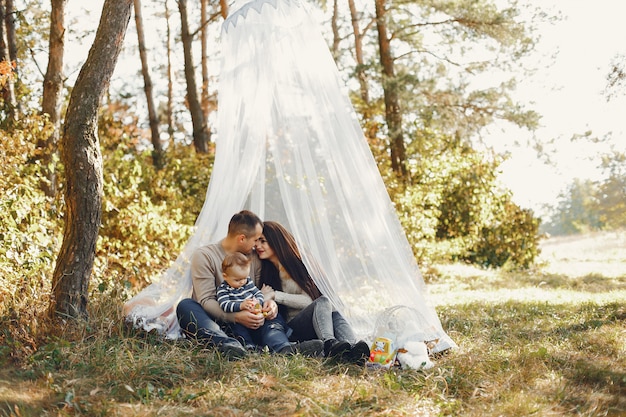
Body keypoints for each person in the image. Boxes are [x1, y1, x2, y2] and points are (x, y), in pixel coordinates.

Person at [176, 210, 324, 359]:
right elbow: (206, 300)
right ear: (242, 238)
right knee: (186, 306)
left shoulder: (254, 258)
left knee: (274, 314)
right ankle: (229, 346)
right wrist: (236, 317)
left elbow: (259, 292)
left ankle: (283, 348)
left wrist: (270, 303)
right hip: (219, 321)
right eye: (255, 240)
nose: (256, 246)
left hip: (252, 321)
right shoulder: (204, 256)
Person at [257, 221, 371, 364]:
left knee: (334, 310)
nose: (258, 246)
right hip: (294, 327)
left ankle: (352, 351)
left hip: (317, 320)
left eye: (263, 241)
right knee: (324, 302)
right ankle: (330, 343)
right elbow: (310, 303)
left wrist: (275, 295)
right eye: (257, 241)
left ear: (276, 240)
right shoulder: (266, 270)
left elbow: (309, 300)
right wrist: (271, 296)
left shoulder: (298, 263)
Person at [217, 252, 266, 350]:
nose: (242, 282)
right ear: (225, 276)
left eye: (244, 278)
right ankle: (248, 346)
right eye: (237, 280)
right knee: (238, 330)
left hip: (252, 315)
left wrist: (258, 302)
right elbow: (224, 305)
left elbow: (258, 293)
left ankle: (263, 343)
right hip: (237, 320)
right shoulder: (223, 289)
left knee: (265, 322)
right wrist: (241, 306)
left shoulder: (247, 282)